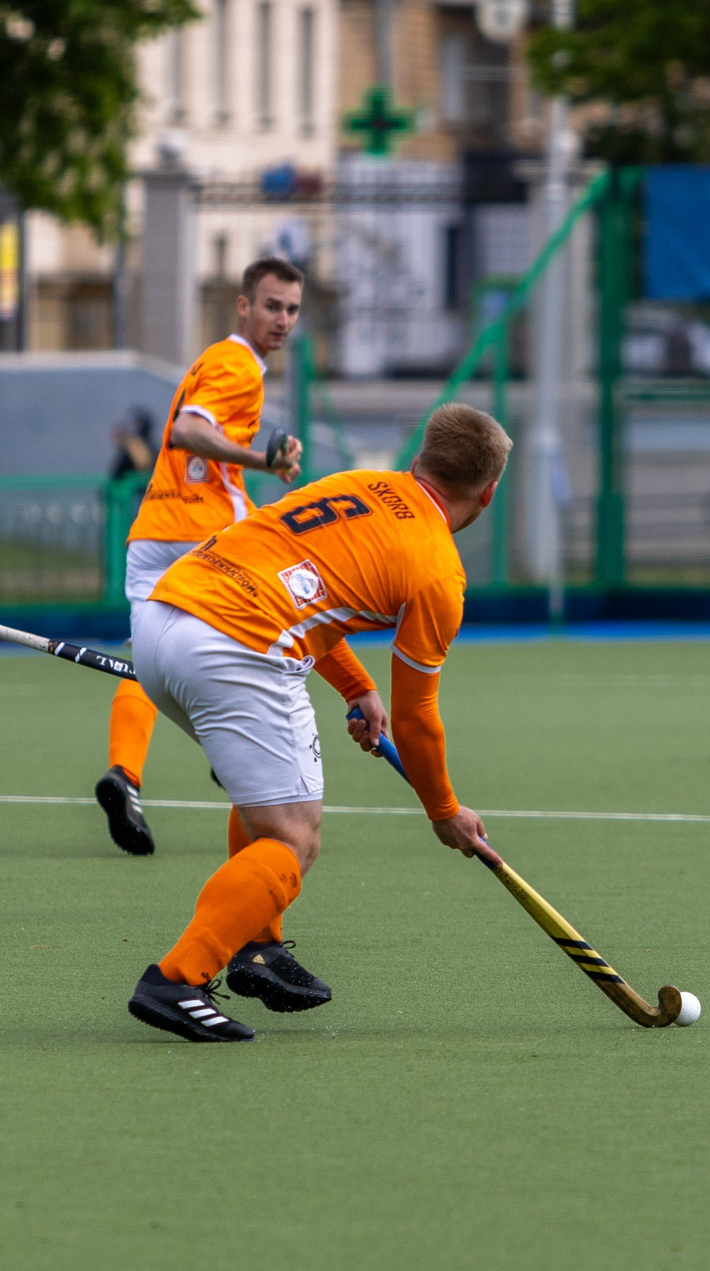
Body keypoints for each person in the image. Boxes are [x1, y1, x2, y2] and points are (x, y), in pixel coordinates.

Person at [121, 402, 505, 1042]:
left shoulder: (355, 484)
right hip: (236, 650)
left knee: (263, 798)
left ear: (417, 462)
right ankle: (177, 980)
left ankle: (256, 946)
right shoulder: (440, 570)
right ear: (487, 495)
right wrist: (444, 810)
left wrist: (356, 687)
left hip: (163, 623)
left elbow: (301, 585)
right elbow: (417, 716)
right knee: (294, 837)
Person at [94, 258, 307, 854]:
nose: (283, 320)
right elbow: (188, 429)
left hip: (152, 532)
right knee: (268, 635)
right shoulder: (239, 363)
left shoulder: (213, 360)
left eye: (292, 309)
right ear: (243, 306)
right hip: (207, 533)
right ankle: (241, 760)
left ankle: (125, 775)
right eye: (271, 306)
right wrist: (264, 462)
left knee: (150, 659)